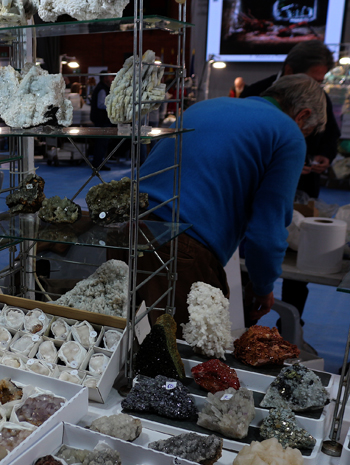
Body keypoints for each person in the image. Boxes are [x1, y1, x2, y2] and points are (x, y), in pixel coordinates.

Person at [137, 74, 327, 328]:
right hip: (180, 246)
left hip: (128, 227)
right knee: (187, 347)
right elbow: (266, 231)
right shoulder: (288, 133)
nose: (303, 136)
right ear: (303, 115)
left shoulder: (205, 106)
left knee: (125, 341)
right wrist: (262, 288)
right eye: (308, 132)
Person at [241, 41, 339, 338]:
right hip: (260, 191)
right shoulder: (257, 93)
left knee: (299, 262)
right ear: (289, 70)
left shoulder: (318, 100)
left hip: (304, 190)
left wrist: (323, 157)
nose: (317, 86)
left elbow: (329, 136)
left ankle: (290, 331)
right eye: (313, 79)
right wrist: (262, 288)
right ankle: (246, 325)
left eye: (321, 81)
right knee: (251, 258)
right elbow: (265, 230)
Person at [90, 73, 114, 170]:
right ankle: (98, 163)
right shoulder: (102, 89)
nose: (112, 78)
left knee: (102, 142)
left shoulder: (102, 88)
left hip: (102, 119)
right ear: (105, 78)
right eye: (110, 76)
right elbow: (100, 104)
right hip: (102, 120)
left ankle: (99, 162)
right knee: (101, 142)